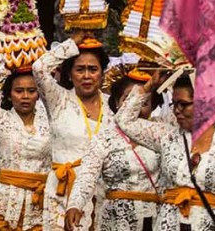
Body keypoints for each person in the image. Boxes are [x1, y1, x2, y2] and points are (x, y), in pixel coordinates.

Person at [112, 71, 215, 231]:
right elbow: (124, 120)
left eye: (184, 104)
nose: (177, 110)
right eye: (174, 104)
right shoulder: (166, 136)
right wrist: (150, 85)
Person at [32, 33, 109, 231]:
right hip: (62, 191)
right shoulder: (58, 99)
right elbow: (39, 68)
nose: (86, 76)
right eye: (79, 69)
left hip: (103, 193)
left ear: (102, 73)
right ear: (69, 73)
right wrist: (72, 43)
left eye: (93, 69)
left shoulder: (113, 106)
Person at [66, 70, 161, 231]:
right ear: (116, 102)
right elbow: (87, 174)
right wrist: (75, 205)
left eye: (143, 102)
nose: (135, 107)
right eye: (127, 100)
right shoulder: (105, 138)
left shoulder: (161, 136)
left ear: (153, 107)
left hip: (154, 219)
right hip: (115, 220)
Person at [0, 54, 49, 231]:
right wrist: (9, 61)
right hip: (5, 202)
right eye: (19, 91)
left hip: (41, 205)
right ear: (9, 94)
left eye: (31, 90)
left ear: (39, 93)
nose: (25, 96)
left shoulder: (49, 119)